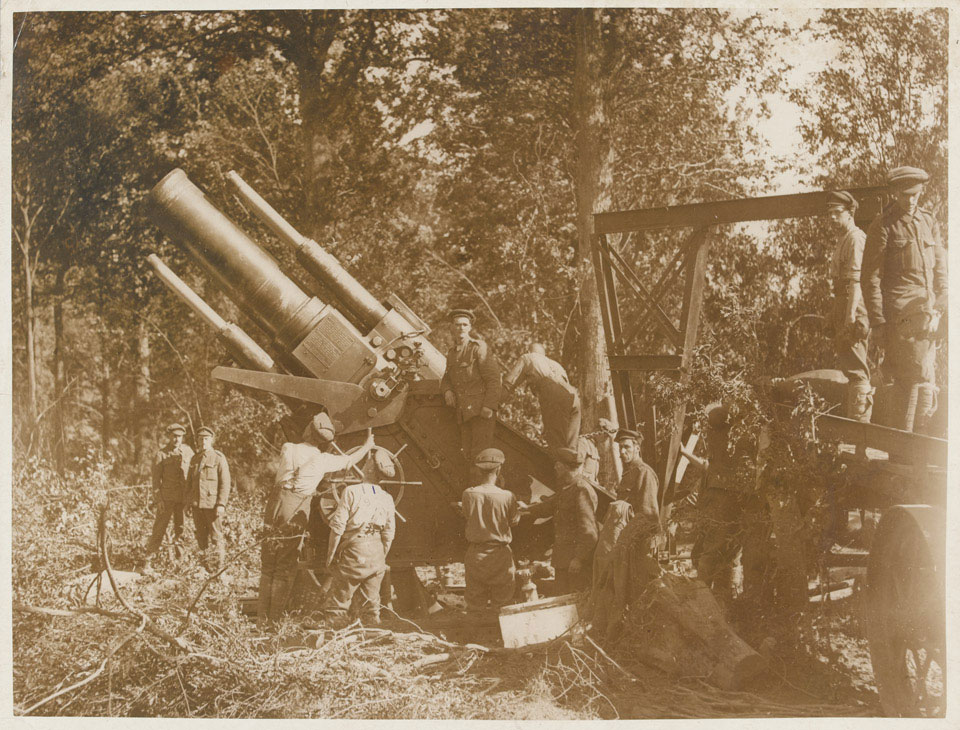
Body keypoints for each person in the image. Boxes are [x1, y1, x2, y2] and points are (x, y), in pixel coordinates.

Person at [258, 414, 375, 625]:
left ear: (308, 430)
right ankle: (273, 623)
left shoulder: (288, 448)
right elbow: (349, 460)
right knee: (284, 566)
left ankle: (261, 620)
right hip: (295, 507)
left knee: (268, 564)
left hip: (274, 504)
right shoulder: (323, 460)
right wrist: (367, 445)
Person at [861, 166, 947, 432]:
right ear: (895, 193)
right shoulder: (883, 225)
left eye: (915, 195)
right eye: (905, 195)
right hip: (901, 317)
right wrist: (878, 323)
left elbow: (941, 267)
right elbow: (870, 278)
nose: (911, 201)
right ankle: (905, 450)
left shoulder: (928, 221)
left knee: (923, 377)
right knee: (913, 377)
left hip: (929, 313)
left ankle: (911, 451)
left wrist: (942, 301)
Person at [321, 448, 398, 626]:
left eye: (365, 463)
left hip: (354, 553)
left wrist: (331, 554)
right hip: (376, 553)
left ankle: (336, 636)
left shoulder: (351, 492)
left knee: (339, 604)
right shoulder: (387, 497)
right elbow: (389, 533)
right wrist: (380, 557)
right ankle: (372, 638)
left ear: (370, 469)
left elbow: (338, 527)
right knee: (371, 606)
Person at [682, 403, 743, 609]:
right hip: (715, 503)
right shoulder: (725, 448)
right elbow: (710, 468)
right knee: (709, 553)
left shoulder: (725, 444)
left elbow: (713, 470)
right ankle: (715, 599)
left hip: (718, 504)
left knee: (710, 552)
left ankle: (703, 600)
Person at [458, 448, 522, 624]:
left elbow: (466, 514)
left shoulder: (469, 494)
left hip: (476, 554)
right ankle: (500, 640)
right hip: (500, 555)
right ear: (499, 470)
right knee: (502, 603)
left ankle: (472, 641)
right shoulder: (508, 496)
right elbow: (514, 521)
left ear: (478, 470)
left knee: (474, 602)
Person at [824, 190, 872, 421]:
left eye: (837, 213)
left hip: (853, 305)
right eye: (829, 213)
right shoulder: (843, 239)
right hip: (843, 303)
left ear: (850, 212)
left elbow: (856, 282)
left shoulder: (855, 238)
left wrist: (850, 318)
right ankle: (855, 431)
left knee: (857, 370)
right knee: (849, 367)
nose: (832, 217)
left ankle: (860, 440)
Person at [524, 447, 598, 594]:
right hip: (564, 559)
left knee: (573, 602)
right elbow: (548, 507)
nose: (555, 467)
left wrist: (579, 558)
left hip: (574, 562)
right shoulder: (567, 489)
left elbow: (589, 532)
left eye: (558, 464)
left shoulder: (581, 491)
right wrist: (526, 508)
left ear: (565, 467)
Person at [440, 308, 502, 464]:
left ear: (470, 328)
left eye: (464, 325)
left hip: (480, 412)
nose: (461, 328)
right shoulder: (452, 353)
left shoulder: (477, 347)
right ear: (452, 328)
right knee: (467, 457)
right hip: (463, 414)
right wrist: (447, 391)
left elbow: (494, 379)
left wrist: (489, 406)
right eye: (457, 325)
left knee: (481, 456)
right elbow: (446, 378)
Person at [504, 343, 581, 457]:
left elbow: (509, 383)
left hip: (553, 391)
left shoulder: (527, 358)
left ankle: (558, 471)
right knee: (570, 449)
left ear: (528, 351)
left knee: (557, 446)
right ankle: (572, 470)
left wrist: (494, 404)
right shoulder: (556, 364)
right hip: (574, 396)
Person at [144, 423, 194, 565]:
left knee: (181, 529)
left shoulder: (188, 452)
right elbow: (155, 482)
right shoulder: (161, 454)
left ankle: (180, 561)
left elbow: (193, 475)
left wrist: (190, 497)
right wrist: (158, 500)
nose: (176, 439)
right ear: (169, 437)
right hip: (166, 499)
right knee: (159, 529)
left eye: (179, 437)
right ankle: (148, 562)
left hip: (183, 499)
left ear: (182, 437)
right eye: (174, 436)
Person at [187, 426, 231, 572]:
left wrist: (221, 504)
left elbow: (225, 483)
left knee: (216, 536)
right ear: (198, 441)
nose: (203, 441)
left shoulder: (218, 458)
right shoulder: (195, 459)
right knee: (201, 537)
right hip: (197, 504)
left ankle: (219, 569)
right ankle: (205, 568)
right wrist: (188, 503)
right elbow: (190, 483)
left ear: (211, 440)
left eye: (206, 439)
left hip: (212, 505)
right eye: (201, 439)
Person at [615, 429, 660, 521]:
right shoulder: (629, 472)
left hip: (635, 532)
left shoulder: (644, 472)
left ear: (637, 449)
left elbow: (648, 513)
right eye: (620, 447)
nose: (622, 451)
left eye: (627, 447)